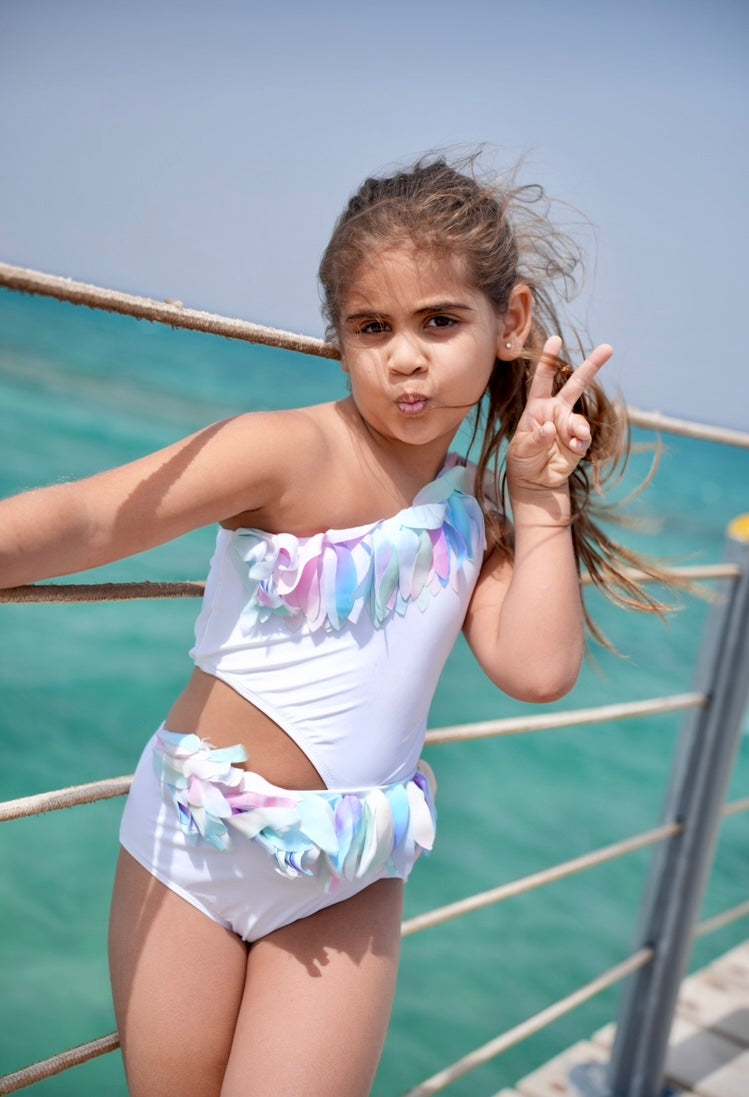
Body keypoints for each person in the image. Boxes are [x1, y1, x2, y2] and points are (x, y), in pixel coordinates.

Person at [0, 155, 663, 1097]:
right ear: (340, 339)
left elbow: (538, 667)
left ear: (508, 323)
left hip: (344, 882)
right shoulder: (286, 450)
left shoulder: (479, 514)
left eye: (439, 321)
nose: (403, 356)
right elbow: (92, 517)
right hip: (190, 846)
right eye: (371, 327)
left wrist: (538, 493)